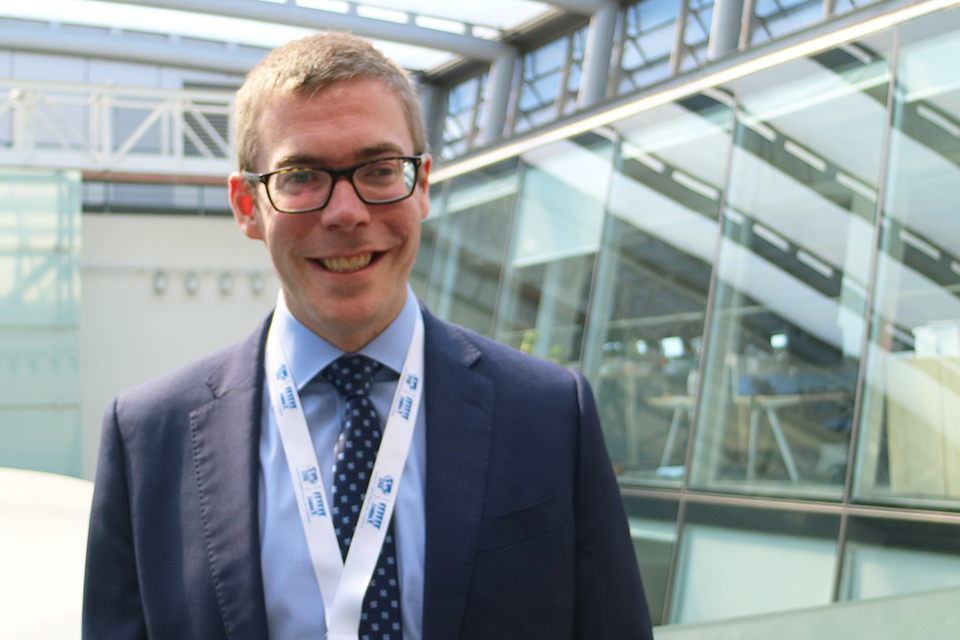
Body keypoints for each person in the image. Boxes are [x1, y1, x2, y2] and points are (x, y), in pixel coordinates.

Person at [83, 32, 653, 640]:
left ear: (423, 183)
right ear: (248, 206)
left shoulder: (549, 413)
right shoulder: (149, 437)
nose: (347, 213)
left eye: (380, 169)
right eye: (301, 175)